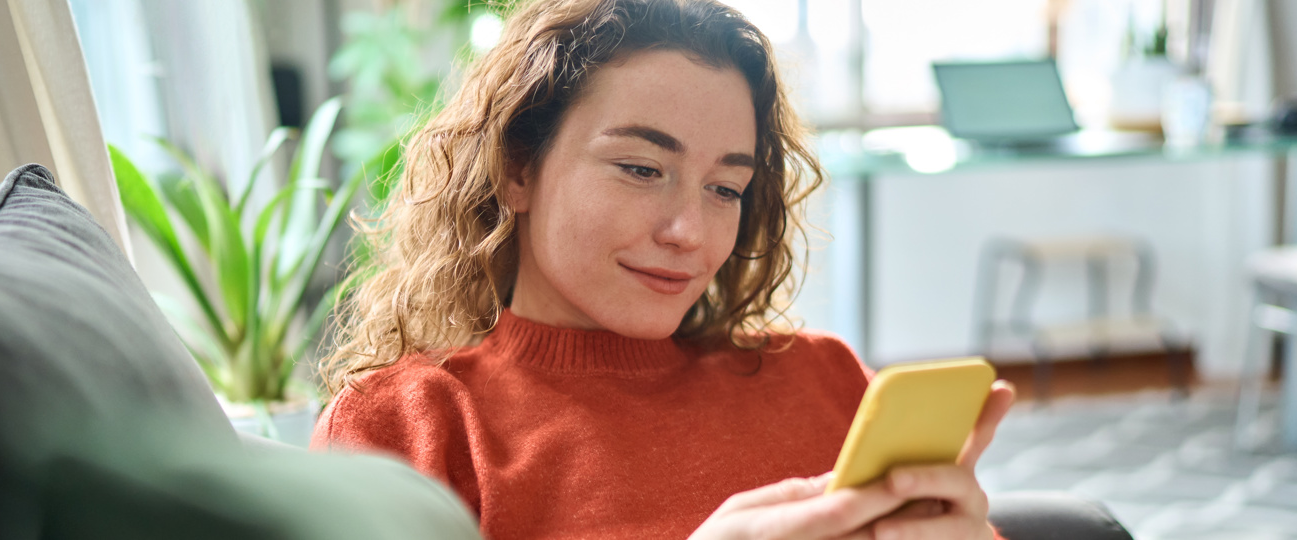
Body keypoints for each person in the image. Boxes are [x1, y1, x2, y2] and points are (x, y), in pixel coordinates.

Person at [311, 0, 1015, 538]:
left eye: (725, 189)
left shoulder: (824, 379)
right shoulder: (409, 427)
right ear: (516, 169)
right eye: (642, 169)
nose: (688, 233)